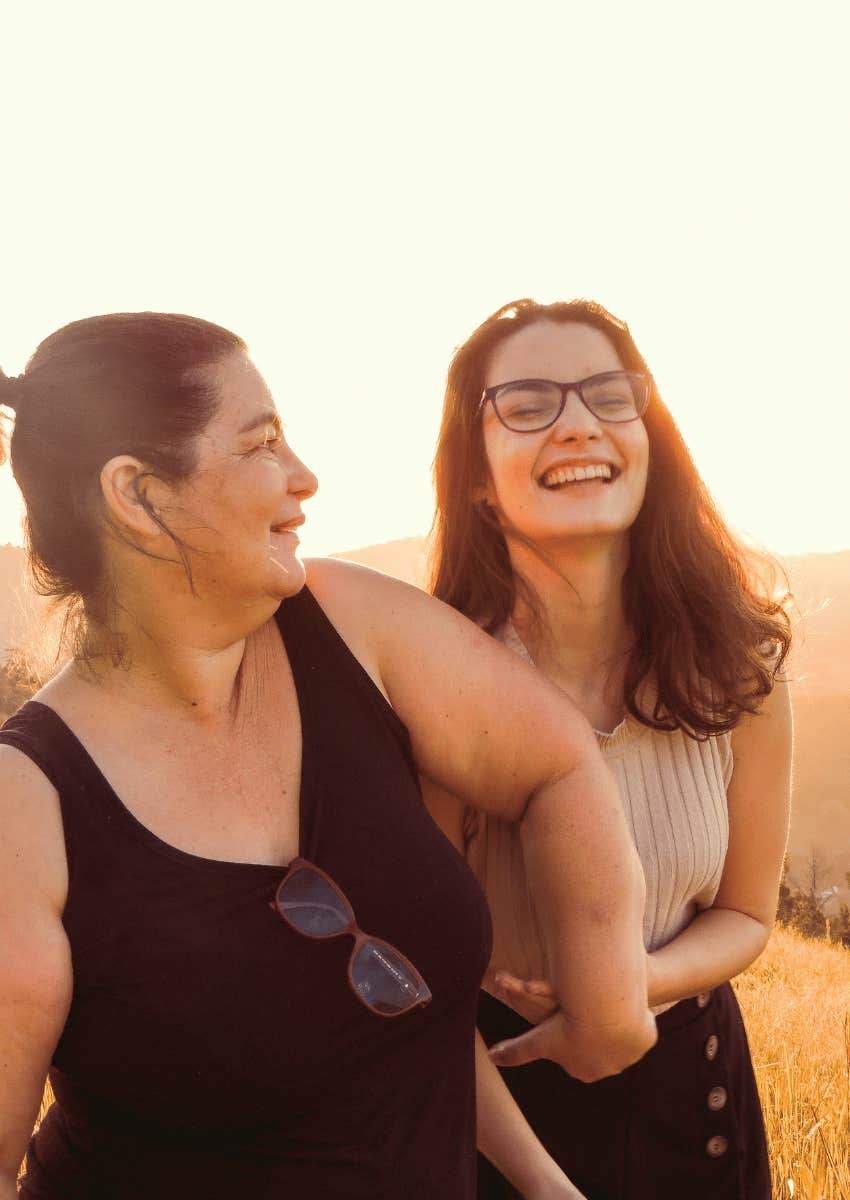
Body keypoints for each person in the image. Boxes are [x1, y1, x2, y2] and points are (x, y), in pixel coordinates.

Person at [0, 312, 656, 1200]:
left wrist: (599, 1011)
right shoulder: (24, 806)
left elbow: (555, 765)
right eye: (262, 443)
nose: (304, 478)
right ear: (141, 497)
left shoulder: (349, 624)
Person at [425, 298, 793, 1200]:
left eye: (607, 394)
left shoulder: (739, 669)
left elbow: (747, 914)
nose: (578, 425)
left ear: (648, 432)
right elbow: (419, 987)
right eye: (528, 403)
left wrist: (632, 986)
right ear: (476, 475)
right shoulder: (434, 690)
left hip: (697, 1100)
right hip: (498, 1115)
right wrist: (542, 1184)